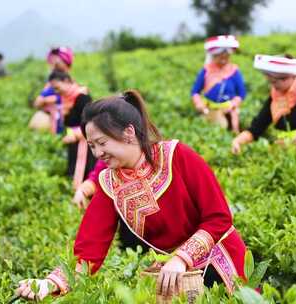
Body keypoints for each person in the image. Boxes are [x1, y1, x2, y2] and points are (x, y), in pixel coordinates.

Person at [15, 90, 248, 300]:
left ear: (128, 133)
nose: (97, 153)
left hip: (222, 262)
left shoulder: (176, 155)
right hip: (175, 277)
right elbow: (89, 250)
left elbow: (219, 218)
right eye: (92, 145)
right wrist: (48, 284)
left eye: (102, 142)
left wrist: (181, 258)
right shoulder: (108, 183)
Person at [231, 54, 296, 159]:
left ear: (292, 76)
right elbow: (258, 126)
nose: (274, 86)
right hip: (284, 146)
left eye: (276, 82)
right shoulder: (275, 96)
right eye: (271, 82)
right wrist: (238, 141)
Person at [48, 71, 96, 188]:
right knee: (73, 170)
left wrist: (75, 135)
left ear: (66, 81)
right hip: (73, 141)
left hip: (84, 141)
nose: (57, 92)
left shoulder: (82, 97)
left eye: (57, 88)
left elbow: (92, 123)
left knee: (85, 172)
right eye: (54, 89)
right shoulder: (66, 99)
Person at [191, 35, 246, 133]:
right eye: (221, 57)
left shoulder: (234, 71)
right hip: (210, 108)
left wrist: (233, 104)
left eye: (226, 57)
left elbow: (242, 93)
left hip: (229, 109)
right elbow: (195, 91)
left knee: (232, 127)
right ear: (214, 56)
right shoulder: (206, 70)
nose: (224, 59)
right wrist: (199, 103)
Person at [29, 47, 74, 133]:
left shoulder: (69, 82)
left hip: (60, 122)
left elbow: (69, 102)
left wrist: (50, 100)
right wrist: (44, 100)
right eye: (52, 63)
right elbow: (38, 101)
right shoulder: (50, 82)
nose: (53, 65)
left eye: (57, 63)